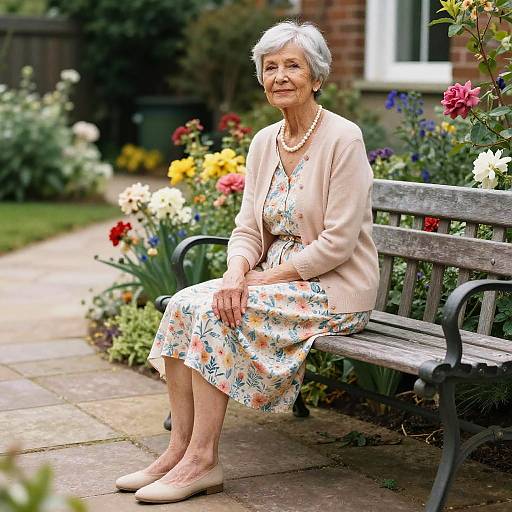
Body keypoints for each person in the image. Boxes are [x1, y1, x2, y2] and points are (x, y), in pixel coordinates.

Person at [116, 20, 380, 505]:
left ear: (316, 77)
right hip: (271, 280)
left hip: (334, 287)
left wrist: (262, 279)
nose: (280, 76)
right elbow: (248, 228)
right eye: (270, 67)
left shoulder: (344, 139)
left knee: (216, 312)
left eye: (292, 66)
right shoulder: (263, 141)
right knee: (186, 304)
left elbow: (339, 243)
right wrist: (237, 273)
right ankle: (177, 450)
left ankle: (203, 461)